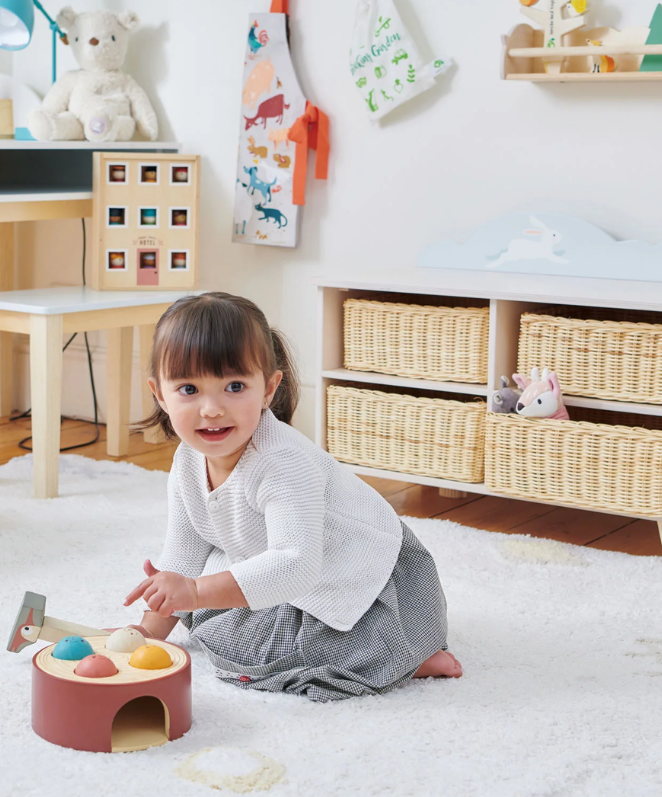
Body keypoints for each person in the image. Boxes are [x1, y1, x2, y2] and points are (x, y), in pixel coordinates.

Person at [123, 292, 462, 701]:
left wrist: (195, 592)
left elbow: (296, 565)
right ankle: (392, 655)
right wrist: (147, 634)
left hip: (371, 586)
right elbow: (186, 548)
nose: (211, 409)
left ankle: (406, 654)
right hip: (295, 574)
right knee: (203, 605)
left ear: (268, 389)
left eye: (234, 387)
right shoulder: (187, 461)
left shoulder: (282, 461)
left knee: (240, 637)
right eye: (189, 389)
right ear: (160, 394)